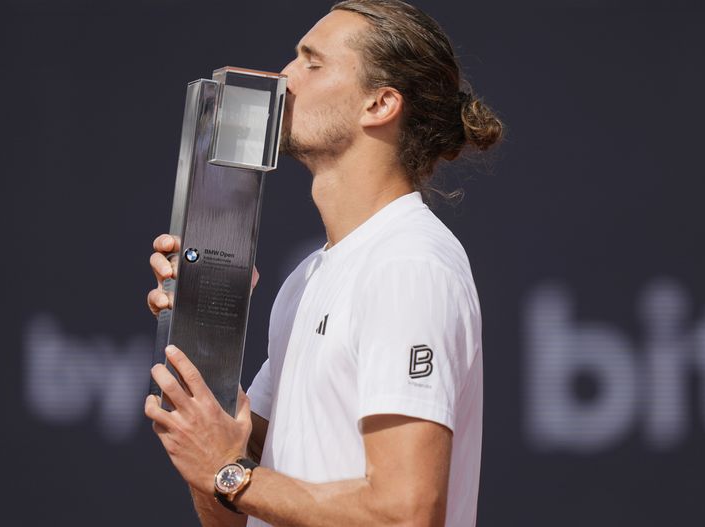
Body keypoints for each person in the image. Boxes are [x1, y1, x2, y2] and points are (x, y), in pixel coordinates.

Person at [144, 1, 503, 525]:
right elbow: (233, 503)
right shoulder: (308, 278)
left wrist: (229, 473)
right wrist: (203, 331)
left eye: (312, 63)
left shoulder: (408, 264)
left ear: (379, 104)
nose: (285, 77)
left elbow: (406, 513)